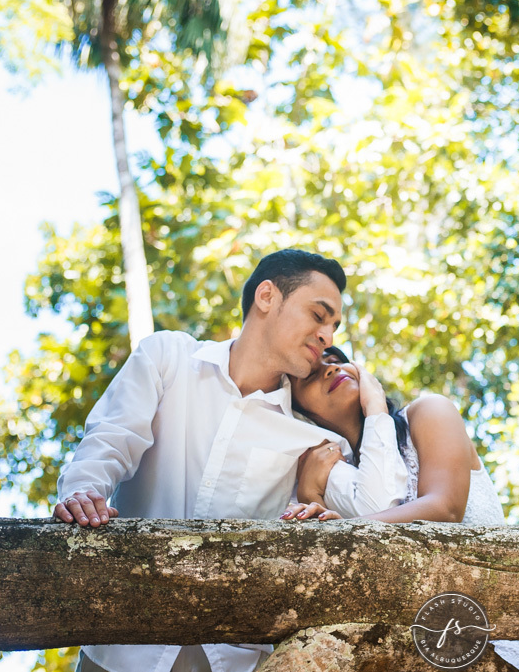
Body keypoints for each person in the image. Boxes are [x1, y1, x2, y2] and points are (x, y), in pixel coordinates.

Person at [51, 249, 409, 672]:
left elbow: (381, 508)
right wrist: (83, 493)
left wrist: (377, 410)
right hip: (120, 649)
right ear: (266, 296)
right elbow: (111, 441)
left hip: (230, 661)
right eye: (319, 315)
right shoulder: (167, 357)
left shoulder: (314, 437)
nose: (328, 336)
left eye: (333, 326)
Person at [284, 346, 519, 672]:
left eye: (338, 359)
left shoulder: (429, 411)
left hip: (493, 637)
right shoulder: (336, 473)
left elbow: (445, 508)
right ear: (298, 409)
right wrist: (311, 493)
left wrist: (376, 407)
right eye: (312, 373)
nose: (330, 368)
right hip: (410, 646)